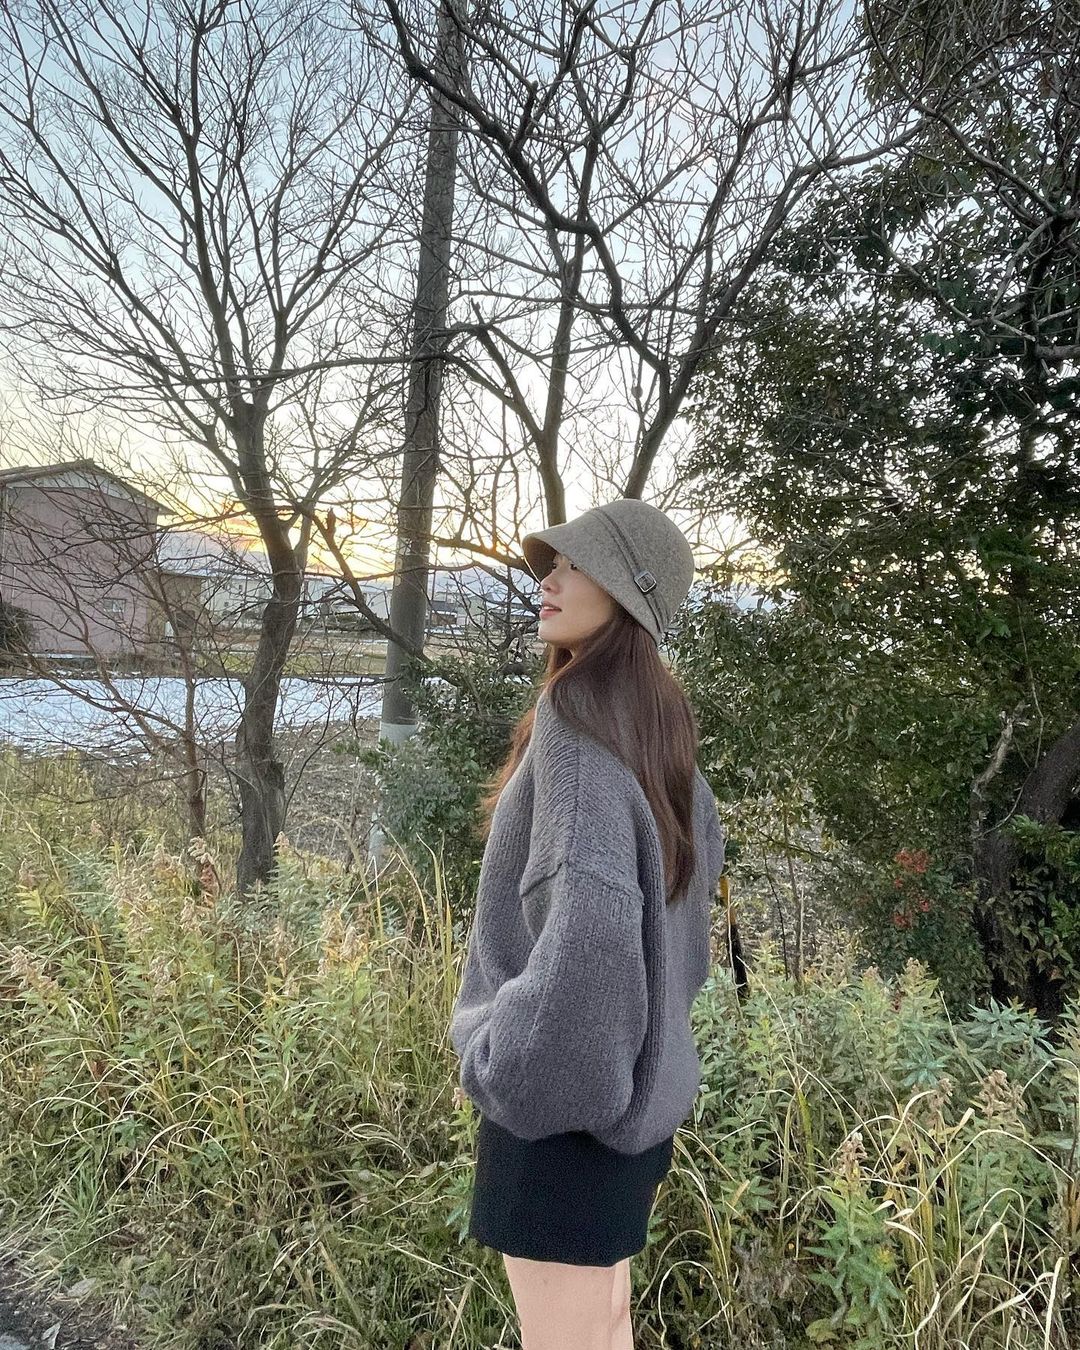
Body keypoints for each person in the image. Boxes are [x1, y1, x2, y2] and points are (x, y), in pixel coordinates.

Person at [449, 498, 727, 1350]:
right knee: (605, 1327)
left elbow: (594, 937)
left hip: (558, 1111)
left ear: (631, 592)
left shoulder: (573, 723)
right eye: (552, 564)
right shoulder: (664, 745)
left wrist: (508, 1062)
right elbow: (681, 945)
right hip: (632, 1111)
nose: (549, 579)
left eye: (576, 566)